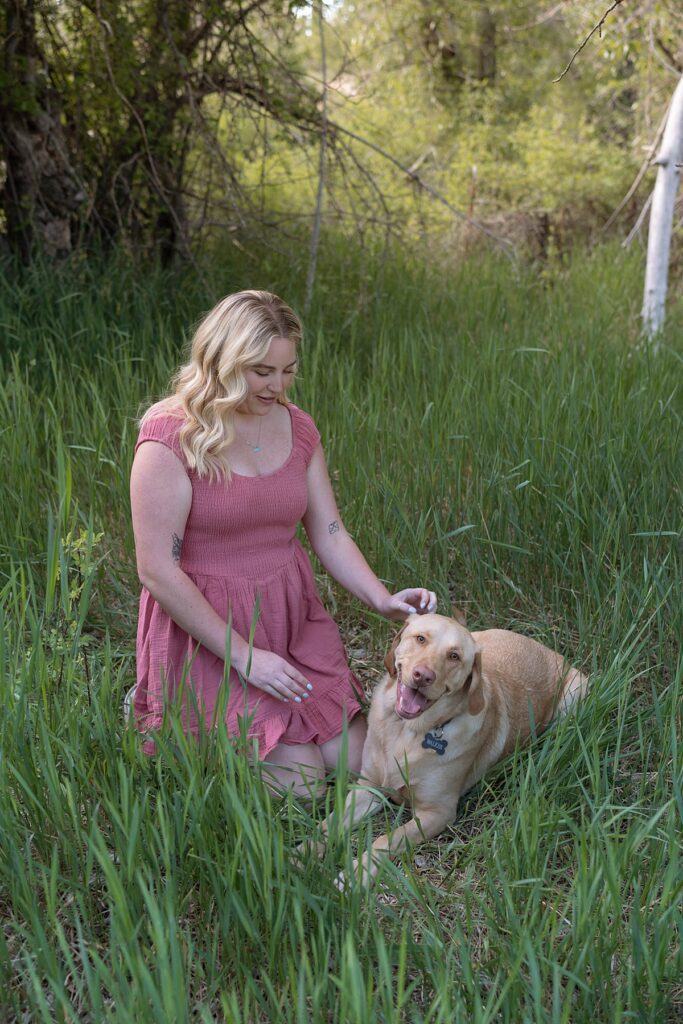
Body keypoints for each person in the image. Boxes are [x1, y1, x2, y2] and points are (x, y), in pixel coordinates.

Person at [130, 290, 436, 796]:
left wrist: (381, 597)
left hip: (287, 617)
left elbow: (330, 532)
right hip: (208, 629)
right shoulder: (170, 438)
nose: (278, 386)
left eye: (288, 370)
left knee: (364, 764)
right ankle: (159, 712)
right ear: (222, 362)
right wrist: (245, 656)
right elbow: (157, 570)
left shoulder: (298, 427)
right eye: (262, 372)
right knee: (303, 785)